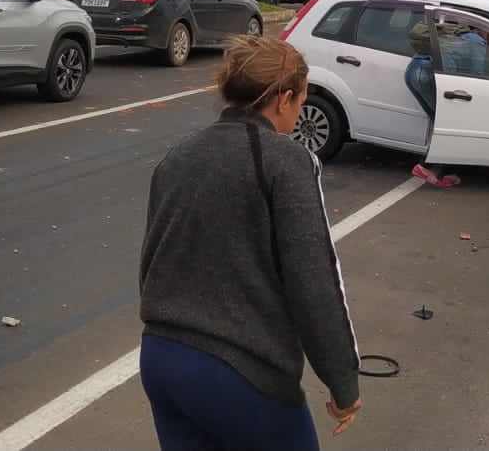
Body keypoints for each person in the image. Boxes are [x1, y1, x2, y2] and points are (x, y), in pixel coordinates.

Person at [138, 35, 362, 450]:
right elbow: (312, 280)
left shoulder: (178, 156)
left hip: (161, 358)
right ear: (284, 99)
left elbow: (154, 258)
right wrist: (342, 380)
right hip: (239, 373)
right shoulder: (284, 160)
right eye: (301, 101)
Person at [405, 20, 461, 188]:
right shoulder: (475, 39)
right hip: (427, 72)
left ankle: (448, 171)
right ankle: (424, 166)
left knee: (443, 122)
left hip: (415, 68)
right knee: (448, 124)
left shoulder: (455, 30)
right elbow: (478, 71)